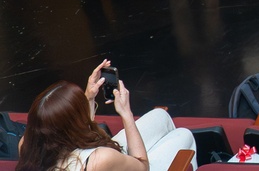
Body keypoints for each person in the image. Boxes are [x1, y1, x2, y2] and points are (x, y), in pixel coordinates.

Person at [16, 60, 196, 171]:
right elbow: (142, 166)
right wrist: (126, 114)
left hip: (104, 161)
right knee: (184, 135)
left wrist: (88, 96)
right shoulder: (99, 159)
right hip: (133, 166)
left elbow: (70, 130)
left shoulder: (28, 144)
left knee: (160, 116)